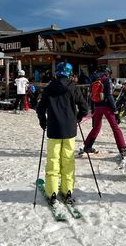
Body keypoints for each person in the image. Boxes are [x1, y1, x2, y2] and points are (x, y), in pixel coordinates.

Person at [36, 62, 89, 205]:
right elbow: (85, 107)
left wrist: (43, 121)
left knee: (53, 161)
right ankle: (67, 191)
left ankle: (52, 192)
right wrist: (76, 118)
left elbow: (40, 107)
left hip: (53, 130)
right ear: (69, 74)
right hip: (69, 131)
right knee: (68, 161)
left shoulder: (49, 88)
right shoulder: (73, 88)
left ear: (57, 72)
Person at [83, 65, 126, 158]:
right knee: (115, 128)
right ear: (107, 72)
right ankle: (122, 148)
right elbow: (110, 96)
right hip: (107, 107)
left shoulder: (94, 80)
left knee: (96, 128)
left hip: (97, 107)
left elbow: (91, 96)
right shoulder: (107, 80)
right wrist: (115, 110)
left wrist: (93, 108)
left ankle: (87, 146)